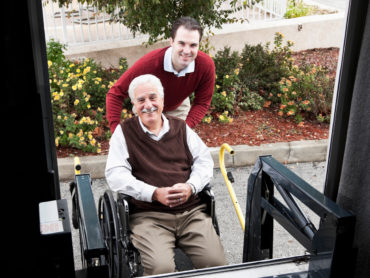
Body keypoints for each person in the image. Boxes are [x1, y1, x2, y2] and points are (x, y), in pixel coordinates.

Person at [105, 74, 226, 276]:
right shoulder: (124, 133)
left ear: (162, 100)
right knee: (161, 270)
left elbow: (204, 161)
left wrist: (191, 186)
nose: (148, 105)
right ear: (134, 105)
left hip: (191, 213)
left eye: (153, 98)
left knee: (217, 265)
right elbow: (115, 175)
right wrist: (153, 193)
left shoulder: (180, 127)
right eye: (141, 100)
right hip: (149, 216)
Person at [106, 16, 215, 133]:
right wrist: (116, 133)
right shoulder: (150, 64)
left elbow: (202, 102)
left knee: (175, 144)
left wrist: (184, 129)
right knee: (149, 145)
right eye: (181, 43)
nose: (187, 51)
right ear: (172, 41)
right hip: (148, 105)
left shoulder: (205, 65)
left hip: (177, 106)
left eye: (193, 45)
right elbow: (115, 94)